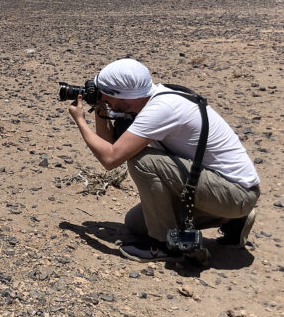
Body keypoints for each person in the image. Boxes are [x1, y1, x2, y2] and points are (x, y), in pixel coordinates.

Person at [67, 58, 260, 262]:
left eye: (106, 97)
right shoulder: (147, 100)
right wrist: (100, 107)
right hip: (224, 188)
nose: (104, 100)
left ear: (123, 96)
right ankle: (231, 219)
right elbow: (107, 142)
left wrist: (80, 121)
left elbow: (110, 158)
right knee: (135, 223)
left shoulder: (161, 110)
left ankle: (164, 245)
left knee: (141, 160)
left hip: (236, 192)